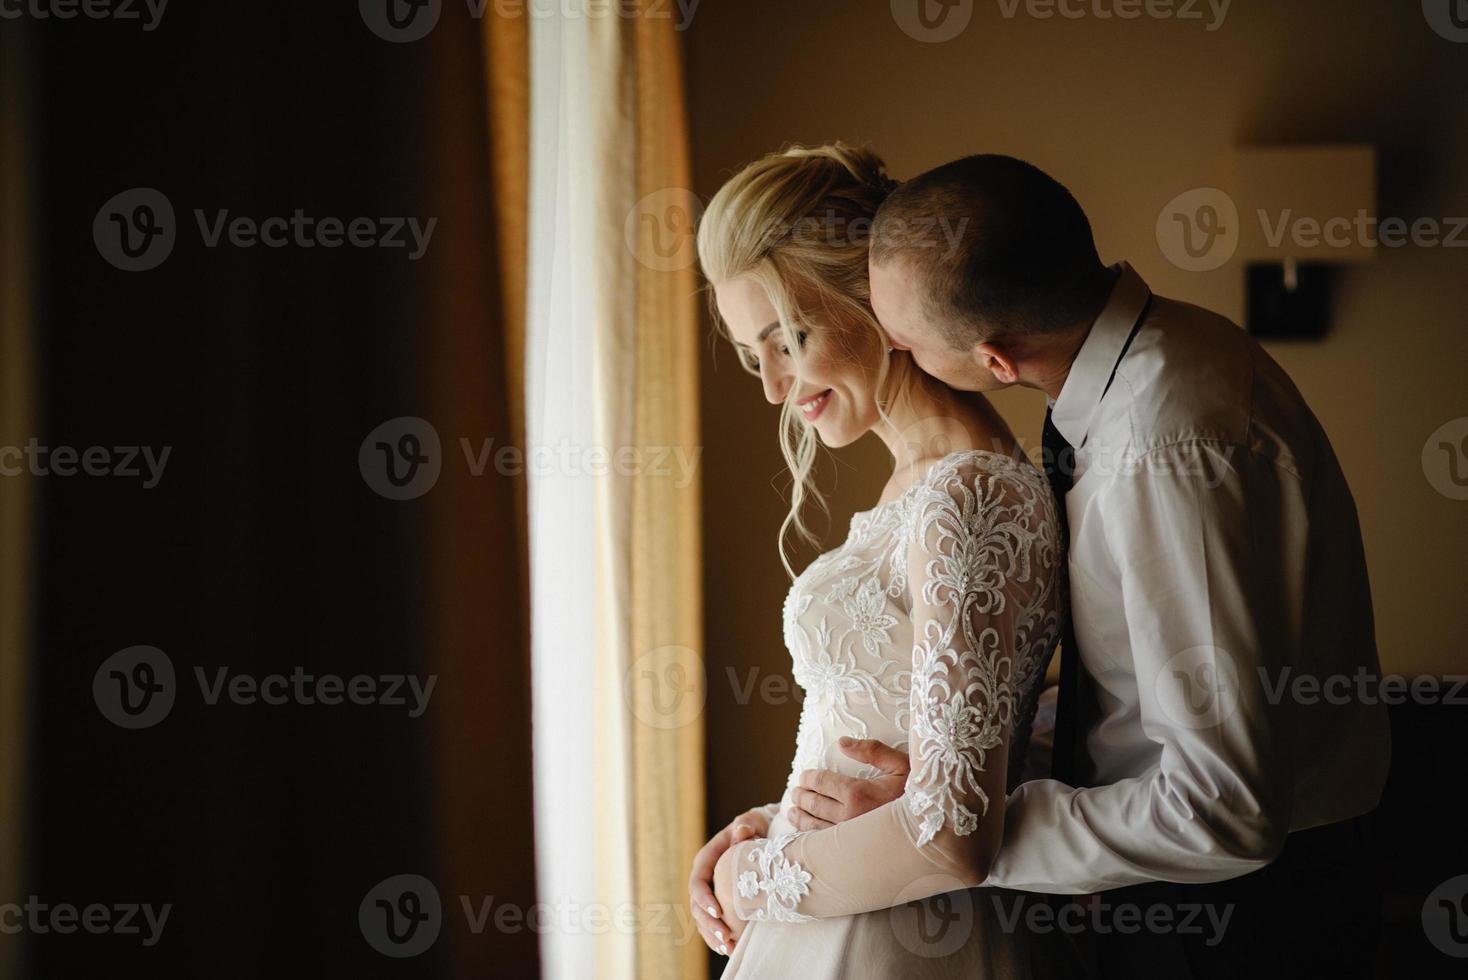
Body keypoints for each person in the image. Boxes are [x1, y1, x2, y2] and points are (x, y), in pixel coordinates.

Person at [789, 153, 1391, 978]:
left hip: (1238, 918)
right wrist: (949, 778)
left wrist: (963, 832)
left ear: (995, 360)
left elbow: (1225, 809)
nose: (892, 356)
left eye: (905, 343)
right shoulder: (1166, 349)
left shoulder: (1164, 449)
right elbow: (1133, 690)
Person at [688, 144, 1077, 978]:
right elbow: (886, 738)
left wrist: (751, 878)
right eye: (756, 355)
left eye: (787, 338)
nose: (774, 387)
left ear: (866, 299)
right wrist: (765, 823)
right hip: (836, 912)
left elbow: (951, 836)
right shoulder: (919, 485)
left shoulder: (967, 495)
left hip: (897, 941)